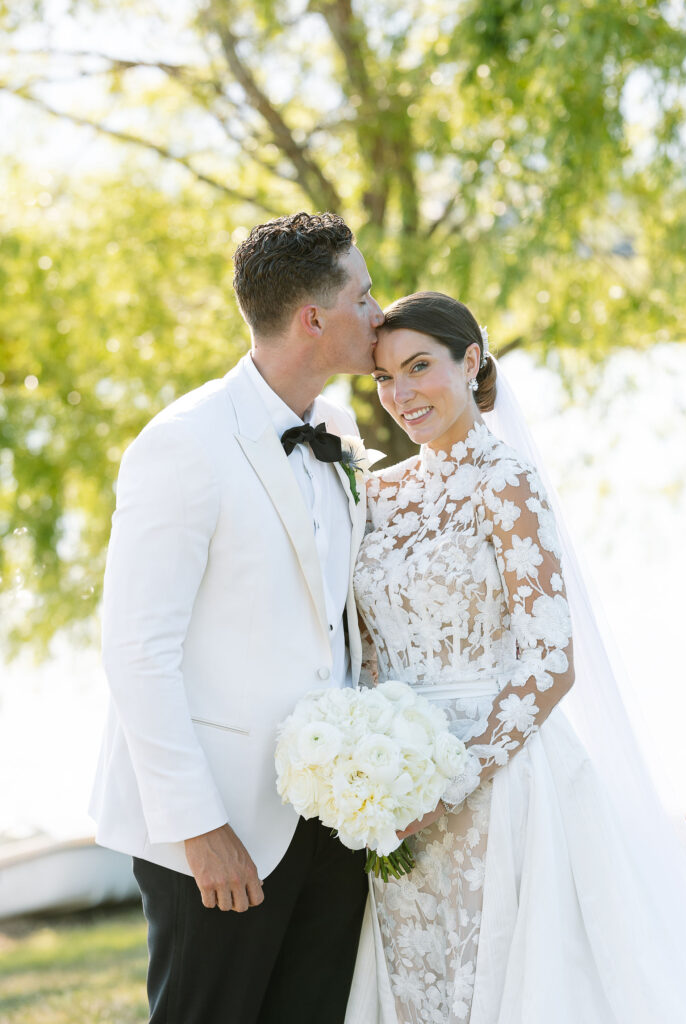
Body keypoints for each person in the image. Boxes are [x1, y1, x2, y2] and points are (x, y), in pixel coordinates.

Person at [348, 291, 686, 1023]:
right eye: (382, 377)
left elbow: (550, 661)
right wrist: (369, 768)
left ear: (471, 362)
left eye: (419, 367)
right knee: (420, 983)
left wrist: (453, 780)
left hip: (498, 788)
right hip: (395, 793)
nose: (400, 395)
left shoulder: (506, 481)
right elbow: (367, 647)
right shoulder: (377, 494)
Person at [89, 211, 384, 1024]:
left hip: (329, 825)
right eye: (365, 296)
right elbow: (135, 651)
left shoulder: (338, 429)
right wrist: (199, 826)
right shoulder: (183, 443)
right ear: (312, 319)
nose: (379, 314)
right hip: (219, 828)